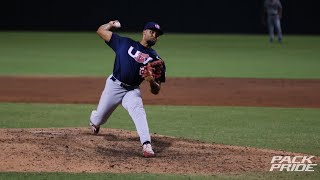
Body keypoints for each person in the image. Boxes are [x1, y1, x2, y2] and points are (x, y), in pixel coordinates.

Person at [89, 20, 166, 158]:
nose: (154, 35)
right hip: (114, 86)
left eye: (157, 34)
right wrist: (110, 24)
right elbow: (101, 31)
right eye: (152, 32)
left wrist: (152, 82)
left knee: (139, 111)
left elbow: (156, 90)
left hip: (132, 90)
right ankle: (94, 121)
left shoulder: (155, 59)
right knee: (99, 119)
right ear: (144, 32)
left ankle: (147, 145)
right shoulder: (124, 43)